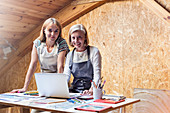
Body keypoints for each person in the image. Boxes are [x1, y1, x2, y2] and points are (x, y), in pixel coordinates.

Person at [11, 18, 69, 93]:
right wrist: (25, 87)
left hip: (58, 79)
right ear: (44, 30)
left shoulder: (62, 43)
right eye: (50, 30)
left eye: (56, 31)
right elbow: (33, 64)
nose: (53, 34)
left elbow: (60, 66)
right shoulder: (37, 43)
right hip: (44, 81)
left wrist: (58, 88)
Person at [64, 24, 101, 95]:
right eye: (73, 38)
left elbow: (97, 75)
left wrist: (92, 89)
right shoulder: (69, 55)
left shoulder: (94, 51)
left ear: (85, 38)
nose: (76, 41)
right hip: (75, 92)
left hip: (91, 91)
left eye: (79, 37)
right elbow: (66, 75)